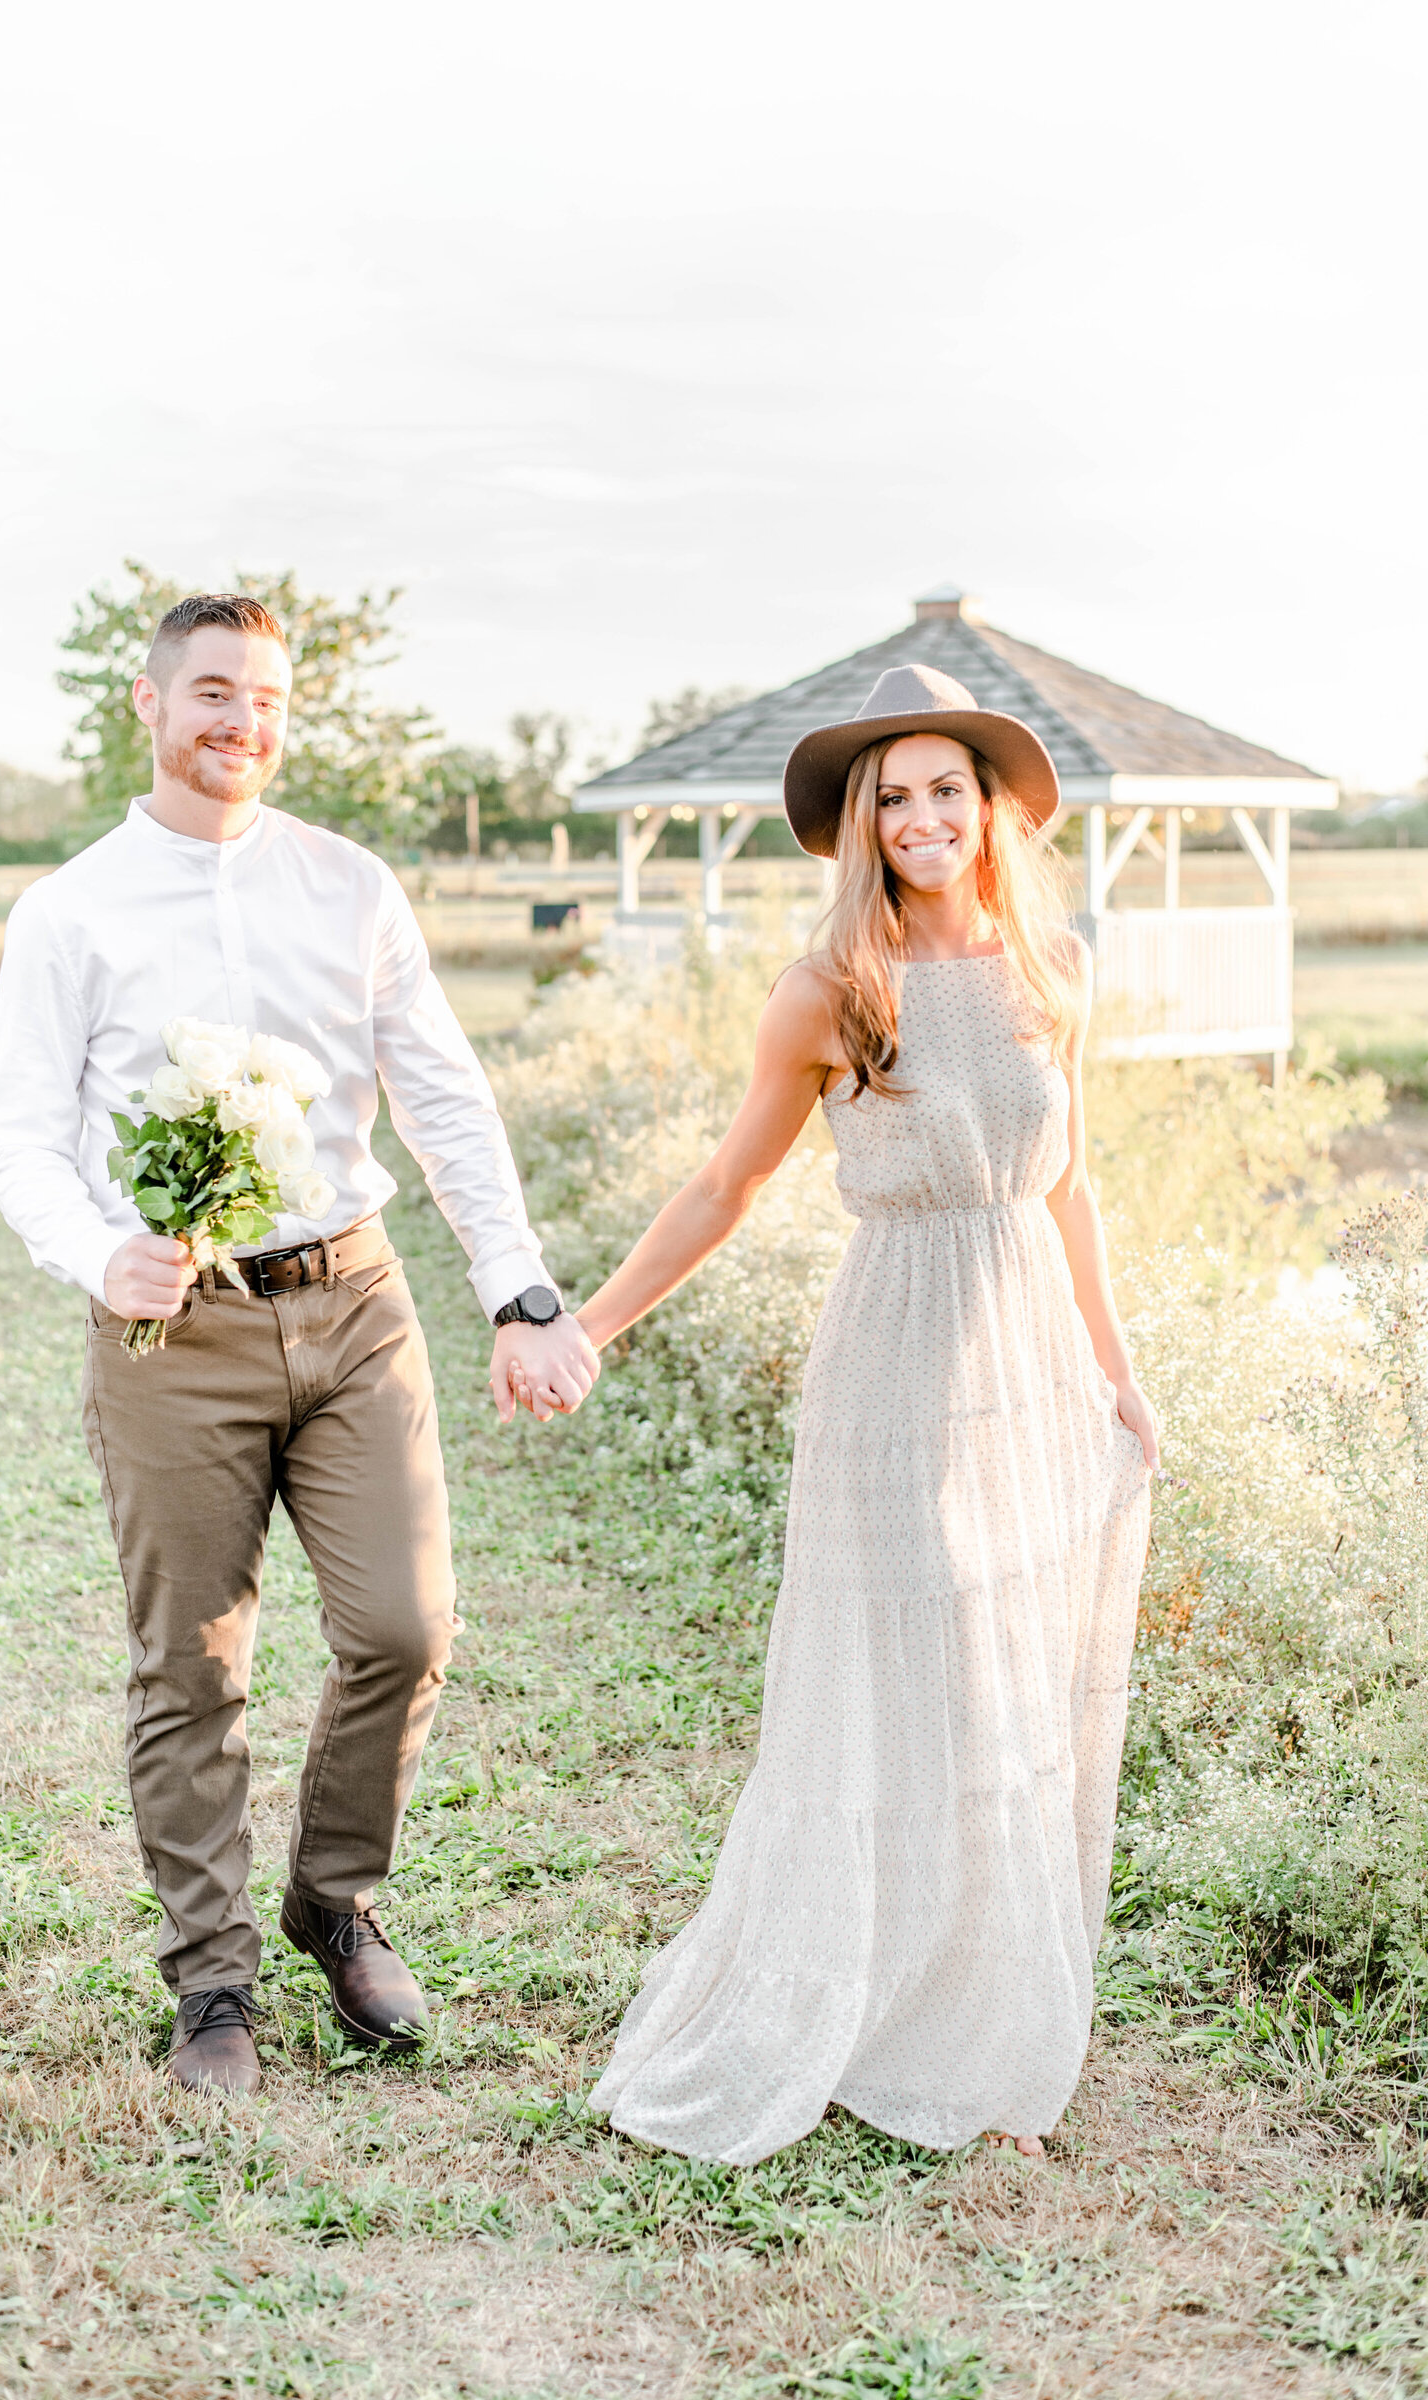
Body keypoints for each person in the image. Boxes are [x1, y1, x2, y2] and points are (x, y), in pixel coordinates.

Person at [0, 592, 598, 2096]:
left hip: (356, 1304)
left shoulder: (351, 887)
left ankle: (333, 1900)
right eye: (210, 693)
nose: (239, 721)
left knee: (405, 1630)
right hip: (170, 1334)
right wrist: (98, 1252)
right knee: (191, 1667)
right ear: (148, 704)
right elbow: (18, 1142)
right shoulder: (71, 909)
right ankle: (213, 1985)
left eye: (263, 697)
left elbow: (441, 1096)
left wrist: (516, 1288)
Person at [574, 663, 1157, 2165]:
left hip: (1026, 1346)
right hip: (899, 1358)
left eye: (942, 790)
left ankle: (982, 2013)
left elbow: (1074, 1184)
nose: (918, 818)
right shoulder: (833, 989)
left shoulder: (1056, 969)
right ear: (859, 823)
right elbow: (726, 1186)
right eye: (888, 797)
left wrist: (1112, 1363)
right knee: (929, 1664)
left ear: (990, 807)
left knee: (1011, 1681)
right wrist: (588, 1324)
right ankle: (874, 2002)